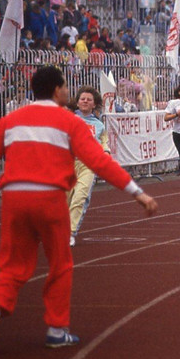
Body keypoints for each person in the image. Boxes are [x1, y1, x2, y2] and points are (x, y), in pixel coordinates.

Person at [0, 65, 158, 351]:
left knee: (13, 263)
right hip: (50, 199)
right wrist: (137, 192)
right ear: (56, 90)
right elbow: (99, 161)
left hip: (13, 198)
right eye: (65, 86)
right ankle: (56, 329)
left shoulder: (10, 121)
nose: (69, 92)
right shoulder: (69, 122)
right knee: (60, 263)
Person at [66, 86, 108, 247]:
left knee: (80, 197)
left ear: (94, 104)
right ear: (77, 102)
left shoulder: (99, 125)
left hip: (87, 165)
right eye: (82, 99)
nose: (85, 101)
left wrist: (106, 153)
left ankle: (70, 232)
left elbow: (104, 144)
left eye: (89, 99)